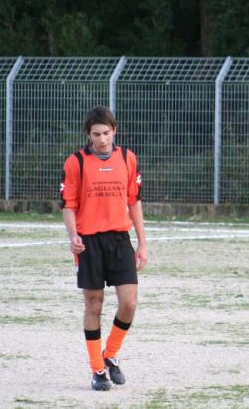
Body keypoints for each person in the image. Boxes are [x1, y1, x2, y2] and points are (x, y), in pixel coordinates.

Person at [60, 105, 148, 390]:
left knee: (129, 303)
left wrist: (142, 242)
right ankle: (97, 370)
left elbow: (134, 201)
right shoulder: (76, 162)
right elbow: (68, 204)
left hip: (120, 239)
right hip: (89, 243)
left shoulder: (127, 158)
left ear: (114, 131)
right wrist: (73, 236)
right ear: (88, 134)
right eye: (96, 134)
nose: (102, 139)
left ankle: (110, 354)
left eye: (106, 133)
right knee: (94, 304)